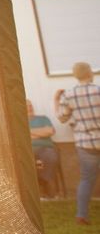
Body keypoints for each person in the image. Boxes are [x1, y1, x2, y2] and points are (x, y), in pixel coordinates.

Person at [56, 61, 100, 225]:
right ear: (90, 73)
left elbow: (62, 117)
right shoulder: (98, 90)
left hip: (85, 143)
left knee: (87, 179)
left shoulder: (68, 95)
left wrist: (56, 100)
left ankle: (82, 215)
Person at [28, 99, 61, 199]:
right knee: (28, 161)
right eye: (26, 105)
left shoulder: (43, 118)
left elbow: (50, 131)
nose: (29, 107)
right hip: (29, 150)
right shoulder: (19, 121)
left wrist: (30, 132)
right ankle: (40, 190)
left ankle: (45, 183)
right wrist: (42, 133)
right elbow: (20, 135)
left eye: (30, 105)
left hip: (45, 148)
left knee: (50, 157)